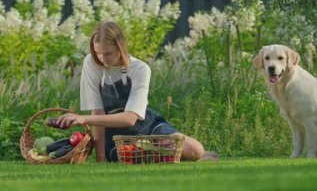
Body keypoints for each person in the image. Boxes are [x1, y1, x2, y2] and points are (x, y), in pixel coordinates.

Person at [57, 21, 218, 162]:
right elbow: (97, 112)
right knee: (137, 156)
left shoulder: (140, 69)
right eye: (98, 52)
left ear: (120, 47)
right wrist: (101, 159)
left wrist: (82, 119)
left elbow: (129, 119)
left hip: (147, 127)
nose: (102, 59)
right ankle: (169, 154)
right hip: (116, 139)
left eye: (108, 53)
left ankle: (185, 154)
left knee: (196, 150)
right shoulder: (91, 63)